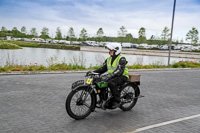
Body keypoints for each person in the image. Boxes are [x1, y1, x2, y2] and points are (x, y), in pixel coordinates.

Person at [87, 43, 129, 109]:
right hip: (112, 76)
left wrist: (110, 76)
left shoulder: (122, 59)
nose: (109, 52)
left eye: (111, 50)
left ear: (116, 50)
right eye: (110, 50)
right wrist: (93, 72)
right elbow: (103, 68)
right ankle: (103, 99)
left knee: (111, 83)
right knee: (98, 81)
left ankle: (117, 101)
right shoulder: (109, 59)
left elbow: (120, 71)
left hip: (122, 76)